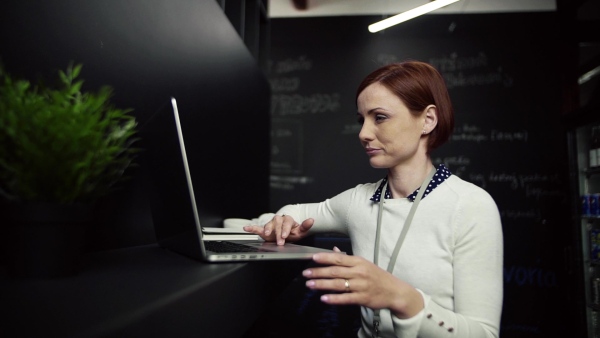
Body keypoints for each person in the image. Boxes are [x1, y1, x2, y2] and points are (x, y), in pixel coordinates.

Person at [244, 60, 503, 338]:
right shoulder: (360, 200)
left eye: (379, 117)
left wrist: (402, 297)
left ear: (428, 120)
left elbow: (484, 334)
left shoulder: (470, 206)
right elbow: (297, 211)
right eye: (362, 120)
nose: (363, 133)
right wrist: (284, 221)